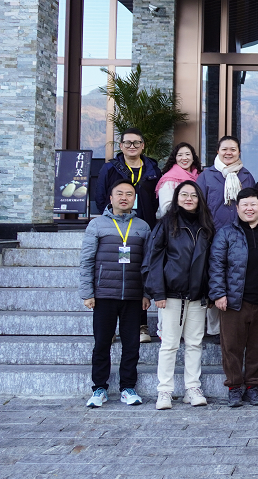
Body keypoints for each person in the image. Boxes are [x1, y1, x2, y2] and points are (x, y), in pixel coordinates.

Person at [142, 180, 214, 410]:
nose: (189, 199)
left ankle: (192, 388)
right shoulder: (166, 224)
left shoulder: (206, 225)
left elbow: (211, 262)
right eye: (184, 194)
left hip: (197, 295)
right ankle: (164, 391)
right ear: (176, 198)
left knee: (194, 343)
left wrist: (209, 292)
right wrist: (158, 292)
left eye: (193, 195)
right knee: (169, 344)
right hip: (171, 294)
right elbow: (153, 259)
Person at [80, 179, 151, 408]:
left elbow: (148, 264)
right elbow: (87, 260)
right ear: (110, 198)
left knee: (132, 345)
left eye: (129, 194)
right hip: (104, 295)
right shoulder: (97, 225)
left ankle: (128, 388)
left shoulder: (142, 227)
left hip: (133, 296)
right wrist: (88, 293)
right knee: (102, 343)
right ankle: (99, 388)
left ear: (134, 199)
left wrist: (147, 293)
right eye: (119, 193)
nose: (124, 198)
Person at [208, 187, 258, 407]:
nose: (249, 209)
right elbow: (216, 265)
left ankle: (253, 386)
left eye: (253, 204)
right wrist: (219, 293)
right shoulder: (226, 233)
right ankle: (234, 387)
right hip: (234, 301)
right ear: (237, 207)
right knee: (232, 346)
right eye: (245, 205)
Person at [94, 127, 162, 344]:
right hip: (116, 230)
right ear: (121, 146)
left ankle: (141, 324)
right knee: (115, 275)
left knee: (139, 274)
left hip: (143, 230)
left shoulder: (152, 169)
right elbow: (101, 197)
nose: (132, 146)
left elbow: (157, 200)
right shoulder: (110, 168)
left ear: (143, 146)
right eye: (128, 143)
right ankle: (110, 327)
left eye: (136, 143)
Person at [197, 136, 256, 340]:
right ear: (218, 151)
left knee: (235, 279)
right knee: (215, 279)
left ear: (239, 152)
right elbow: (199, 206)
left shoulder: (246, 176)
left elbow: (251, 206)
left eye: (233, 149)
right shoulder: (207, 176)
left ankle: (235, 325)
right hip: (212, 236)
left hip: (240, 237)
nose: (228, 153)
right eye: (224, 149)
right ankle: (215, 329)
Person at [156, 143, 202, 219]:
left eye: (187, 154)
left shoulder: (200, 177)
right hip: (176, 222)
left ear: (193, 157)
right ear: (175, 158)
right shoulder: (169, 179)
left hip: (197, 221)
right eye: (180, 155)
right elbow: (165, 208)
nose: (184, 158)